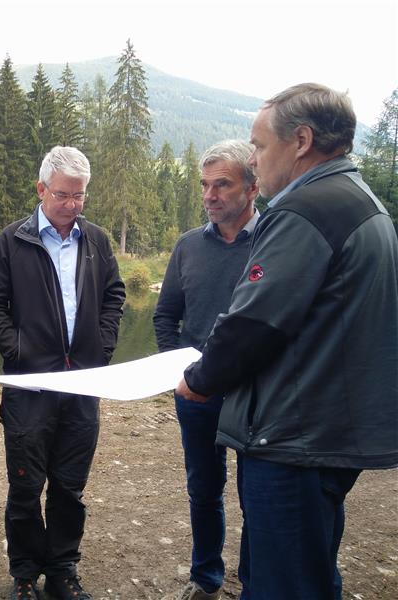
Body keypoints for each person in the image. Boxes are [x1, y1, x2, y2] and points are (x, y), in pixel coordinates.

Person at [176, 83, 398, 600]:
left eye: (259, 145)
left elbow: (254, 323)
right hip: (329, 428)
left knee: (285, 582)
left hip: (294, 436)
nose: (254, 159)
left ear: (300, 141)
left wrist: (200, 380)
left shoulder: (305, 210)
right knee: (311, 572)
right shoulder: (360, 201)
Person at [0, 146, 126, 600]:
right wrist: (18, 351)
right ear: (41, 189)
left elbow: (114, 296)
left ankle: (62, 570)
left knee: (70, 487)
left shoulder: (96, 240)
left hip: (82, 386)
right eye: (63, 194)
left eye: (79, 195)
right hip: (30, 388)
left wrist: (102, 347)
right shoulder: (14, 240)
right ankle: (25, 573)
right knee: (26, 485)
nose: (72, 204)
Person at [153, 140, 259, 600]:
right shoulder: (189, 246)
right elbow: (165, 315)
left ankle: (255, 581)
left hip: (258, 393)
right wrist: (176, 369)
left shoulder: (274, 241)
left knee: (258, 494)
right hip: (197, 392)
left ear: (252, 188)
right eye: (204, 185)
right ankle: (206, 577)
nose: (210, 195)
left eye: (222, 185)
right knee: (203, 489)